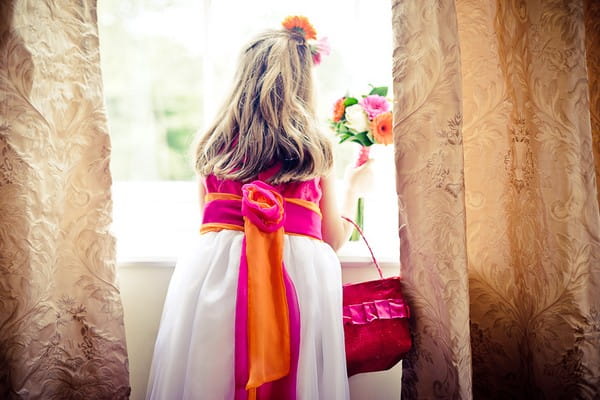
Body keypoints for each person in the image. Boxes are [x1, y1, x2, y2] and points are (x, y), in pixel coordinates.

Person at [146, 16, 373, 400]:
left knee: (211, 374)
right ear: (304, 83)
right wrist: (354, 189)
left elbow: (206, 221)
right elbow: (332, 238)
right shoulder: (316, 150)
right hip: (298, 281)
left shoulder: (213, 146)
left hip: (219, 276)